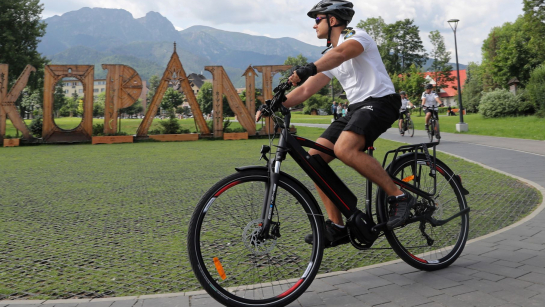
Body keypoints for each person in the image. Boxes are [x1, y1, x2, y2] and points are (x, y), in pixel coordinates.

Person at [256, 0, 415, 248]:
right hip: (356, 109)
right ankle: (338, 226)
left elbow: (341, 54)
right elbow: (307, 88)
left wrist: (308, 68)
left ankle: (399, 196)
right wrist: (275, 104)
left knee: (345, 149)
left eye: (316, 19)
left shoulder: (357, 37)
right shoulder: (328, 56)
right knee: (314, 159)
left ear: (332, 21)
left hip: (380, 102)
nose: (313, 26)